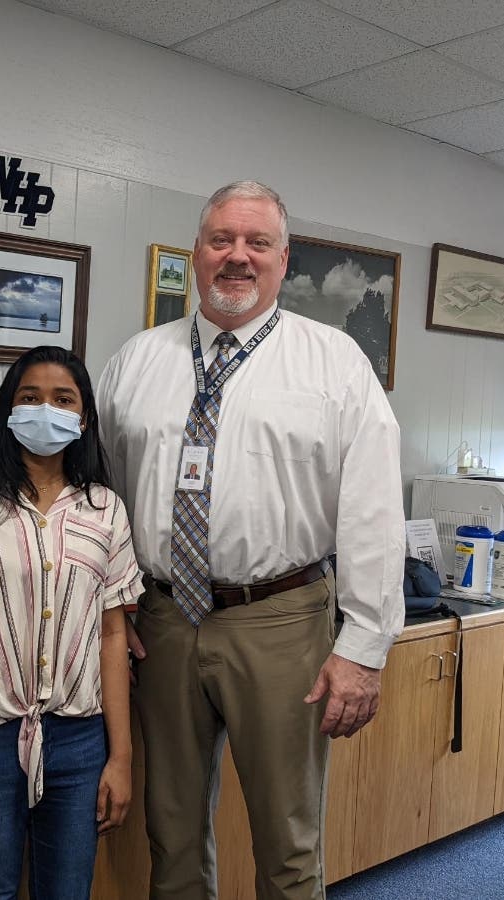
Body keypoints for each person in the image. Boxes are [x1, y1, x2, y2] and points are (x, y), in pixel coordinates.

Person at [97, 181, 405, 900]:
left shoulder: (334, 364)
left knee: (287, 842)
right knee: (169, 834)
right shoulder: (135, 363)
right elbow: (105, 493)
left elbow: (373, 512)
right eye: (220, 240)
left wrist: (363, 649)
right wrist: (117, 609)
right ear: (197, 252)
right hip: (163, 619)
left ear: (282, 257)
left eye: (256, 243)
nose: (237, 256)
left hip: (282, 620)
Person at [0, 345, 143, 900]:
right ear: (8, 409)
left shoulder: (105, 510)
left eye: (62, 399)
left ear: (83, 415)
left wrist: (120, 756)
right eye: (30, 397)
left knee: (67, 891)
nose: (46, 409)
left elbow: (113, 635)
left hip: (78, 738)